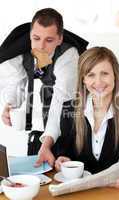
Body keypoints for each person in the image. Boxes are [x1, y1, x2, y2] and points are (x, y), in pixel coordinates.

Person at [0, 8, 88, 166]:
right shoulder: (17, 51)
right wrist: (10, 104)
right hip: (48, 94)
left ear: (59, 39)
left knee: (68, 142)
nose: (41, 46)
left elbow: (60, 102)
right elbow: (17, 81)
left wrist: (46, 144)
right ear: (30, 36)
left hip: (76, 100)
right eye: (36, 38)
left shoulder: (68, 55)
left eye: (49, 40)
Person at [55, 47, 119, 190]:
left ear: (115, 75)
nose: (98, 82)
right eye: (91, 75)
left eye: (104, 73)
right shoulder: (69, 109)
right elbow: (65, 149)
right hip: (82, 193)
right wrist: (63, 159)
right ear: (83, 80)